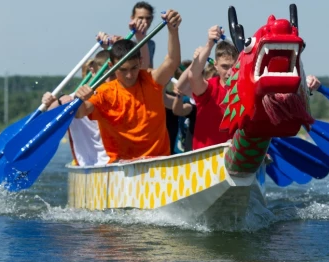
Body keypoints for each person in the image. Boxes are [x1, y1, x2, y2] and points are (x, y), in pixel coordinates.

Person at [74, 10, 182, 163]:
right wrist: (79, 99)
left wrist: (173, 30)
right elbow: (80, 113)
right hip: (121, 166)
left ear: (141, 61)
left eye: (134, 68)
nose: (130, 75)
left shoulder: (152, 80)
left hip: (159, 162)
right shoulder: (105, 92)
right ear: (111, 66)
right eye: (123, 70)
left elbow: (172, 61)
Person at [41, 52, 112, 166]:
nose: (109, 80)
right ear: (93, 73)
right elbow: (47, 122)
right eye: (106, 75)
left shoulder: (118, 94)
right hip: (88, 164)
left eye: (113, 75)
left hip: (113, 161)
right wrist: (52, 102)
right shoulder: (71, 99)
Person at [187, 26, 238, 150]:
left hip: (235, 161)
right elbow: (193, 76)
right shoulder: (209, 89)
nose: (230, 72)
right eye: (225, 66)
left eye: (234, 66)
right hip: (206, 163)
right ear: (215, 65)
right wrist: (209, 44)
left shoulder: (245, 91)